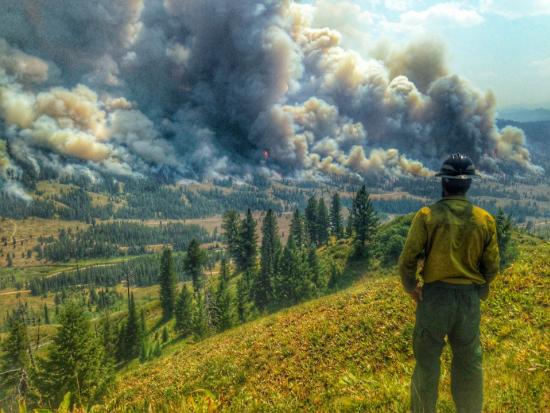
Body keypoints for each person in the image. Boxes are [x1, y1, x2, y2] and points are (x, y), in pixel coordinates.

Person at [399, 153, 500, 413]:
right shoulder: (484, 220)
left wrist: (412, 288)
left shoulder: (427, 216)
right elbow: (492, 267)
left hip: (434, 300)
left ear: (443, 182)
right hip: (468, 301)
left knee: (427, 364)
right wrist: (481, 285)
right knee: (468, 363)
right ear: (468, 185)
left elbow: (408, 260)